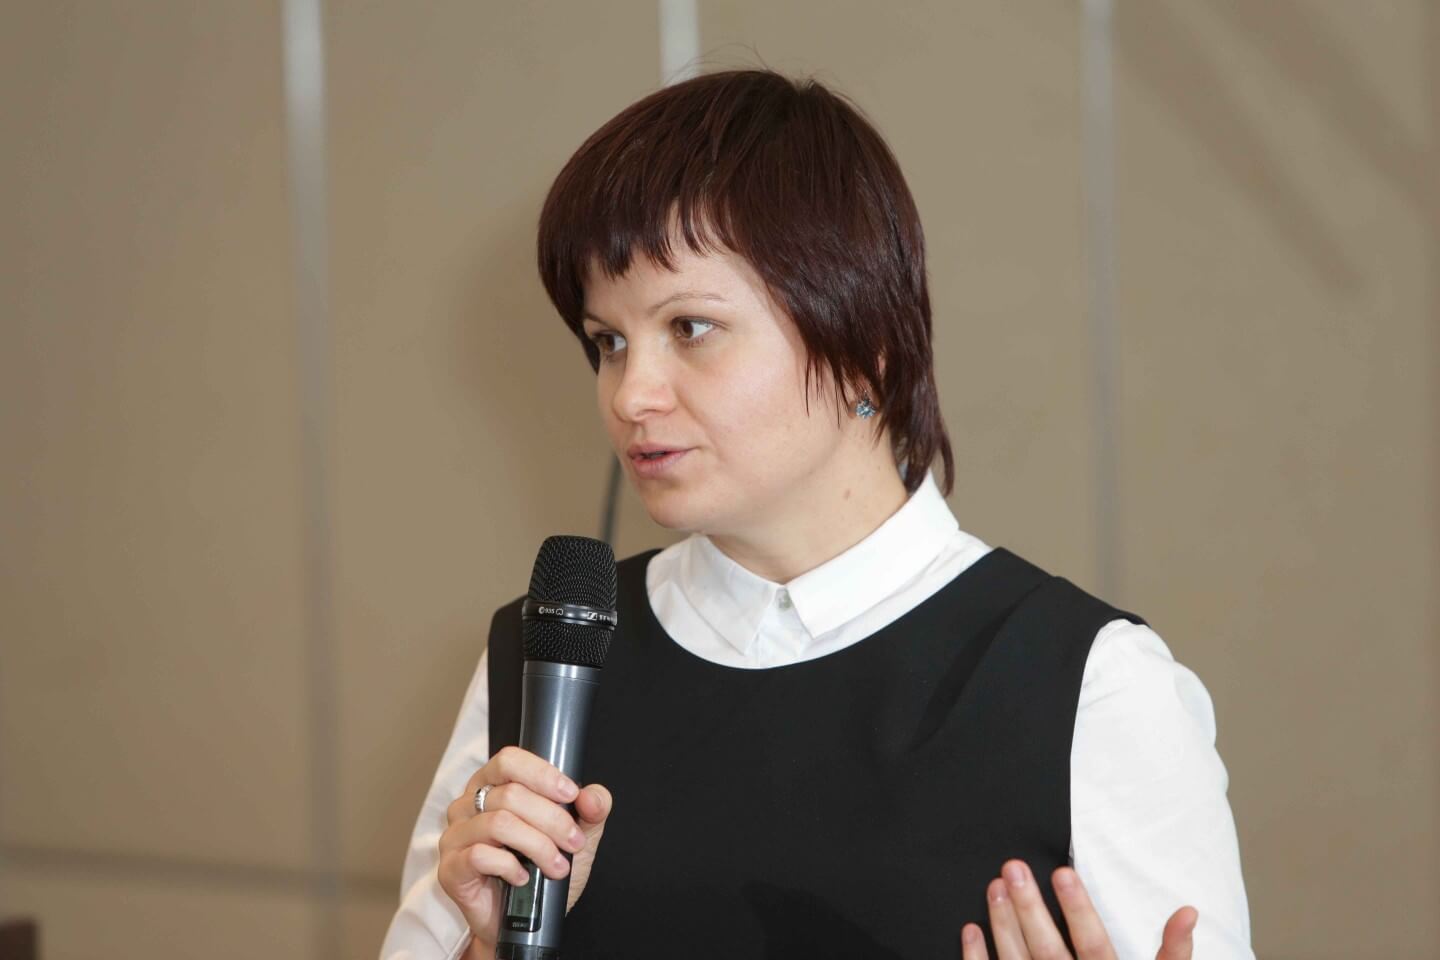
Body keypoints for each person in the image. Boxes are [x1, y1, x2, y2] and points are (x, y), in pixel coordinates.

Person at [380, 69, 1252, 960]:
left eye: (689, 328)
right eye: (609, 341)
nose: (631, 395)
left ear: (865, 342)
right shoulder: (546, 658)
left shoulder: (1092, 685)